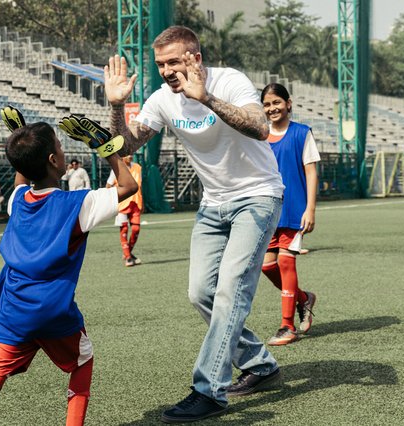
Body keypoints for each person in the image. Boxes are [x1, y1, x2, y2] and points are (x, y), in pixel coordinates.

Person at [104, 26, 285, 422]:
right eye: (160, 64)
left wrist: (206, 97)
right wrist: (117, 106)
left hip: (257, 197)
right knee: (200, 293)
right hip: (213, 205)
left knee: (230, 293)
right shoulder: (161, 100)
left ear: (196, 58)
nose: (167, 71)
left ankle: (209, 390)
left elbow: (260, 127)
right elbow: (126, 145)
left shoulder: (229, 80)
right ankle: (259, 362)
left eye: (174, 61)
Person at [0, 119, 138, 426]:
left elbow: (21, 183)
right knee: (82, 361)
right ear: (54, 161)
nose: (62, 149)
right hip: (52, 310)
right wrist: (105, 147)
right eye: (58, 146)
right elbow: (128, 186)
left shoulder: (18, 201)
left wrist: (20, 137)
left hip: (13, 309)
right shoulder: (78, 203)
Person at [260, 83, 319, 346]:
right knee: (266, 266)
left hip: (294, 209)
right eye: (267, 104)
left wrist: (310, 208)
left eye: (276, 102)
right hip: (266, 210)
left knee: (286, 263)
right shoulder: (259, 136)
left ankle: (287, 326)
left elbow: (311, 172)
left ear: (288, 103)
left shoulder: (301, 133)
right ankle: (303, 299)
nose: (272, 108)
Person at [106, 155, 144, 266]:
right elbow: (108, 185)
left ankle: (128, 253)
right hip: (122, 204)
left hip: (136, 203)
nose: (130, 156)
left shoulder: (137, 167)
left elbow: (140, 186)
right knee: (124, 229)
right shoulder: (117, 168)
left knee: (136, 229)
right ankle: (128, 257)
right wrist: (110, 201)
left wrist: (143, 202)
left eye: (132, 154)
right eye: (128, 154)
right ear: (122, 156)